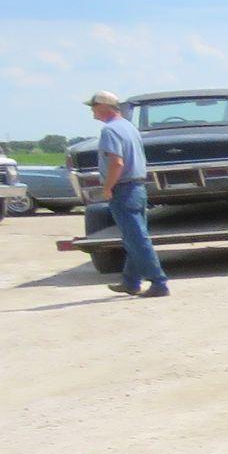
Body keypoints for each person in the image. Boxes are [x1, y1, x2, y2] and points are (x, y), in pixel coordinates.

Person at [88, 90, 169, 298]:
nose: (92, 111)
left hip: (123, 188)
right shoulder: (128, 127)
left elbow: (116, 162)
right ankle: (130, 281)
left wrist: (107, 187)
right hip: (137, 187)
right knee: (132, 237)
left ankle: (158, 282)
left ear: (105, 107)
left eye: (94, 106)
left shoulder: (110, 131)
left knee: (136, 238)